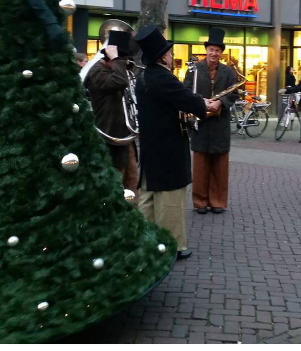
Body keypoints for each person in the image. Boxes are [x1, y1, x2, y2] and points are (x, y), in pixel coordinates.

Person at [134, 24, 210, 260]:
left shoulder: (143, 76)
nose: (171, 55)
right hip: (167, 148)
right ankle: (172, 245)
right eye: (169, 51)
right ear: (163, 56)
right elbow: (186, 99)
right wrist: (205, 104)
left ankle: (145, 240)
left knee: (147, 196)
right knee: (170, 198)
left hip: (150, 146)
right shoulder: (162, 77)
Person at [183, 28, 240, 215]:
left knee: (220, 167)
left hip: (220, 123)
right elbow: (186, 91)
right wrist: (202, 102)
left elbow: (234, 94)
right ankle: (200, 202)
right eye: (211, 49)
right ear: (206, 50)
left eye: (217, 50)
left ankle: (217, 202)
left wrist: (220, 102)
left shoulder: (228, 72)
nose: (213, 53)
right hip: (201, 122)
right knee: (200, 166)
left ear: (221, 52)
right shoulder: (194, 69)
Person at [84, 30, 139, 195]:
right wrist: (117, 59)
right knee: (115, 184)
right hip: (110, 137)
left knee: (132, 182)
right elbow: (119, 82)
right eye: (123, 59)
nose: (126, 63)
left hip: (124, 137)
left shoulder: (115, 70)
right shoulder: (97, 73)